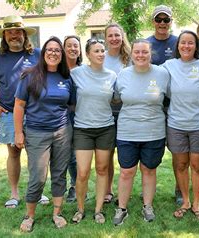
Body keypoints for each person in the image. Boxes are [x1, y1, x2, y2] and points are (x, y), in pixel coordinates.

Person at [0, 15, 49, 209]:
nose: (14, 35)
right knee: (13, 153)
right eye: (10, 32)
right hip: (9, 114)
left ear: (24, 34)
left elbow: (50, 76)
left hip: (36, 113)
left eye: (18, 31)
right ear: (4, 35)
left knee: (36, 154)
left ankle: (37, 192)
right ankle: (14, 194)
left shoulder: (37, 54)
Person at [14, 36, 74, 231]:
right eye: (50, 49)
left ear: (61, 54)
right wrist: (18, 133)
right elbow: (19, 105)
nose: (53, 53)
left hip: (62, 132)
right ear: (43, 53)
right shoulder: (30, 75)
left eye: (57, 50)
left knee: (59, 174)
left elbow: (71, 105)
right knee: (38, 176)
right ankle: (29, 215)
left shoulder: (66, 77)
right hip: (36, 133)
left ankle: (57, 213)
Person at [112, 39, 170, 225]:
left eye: (144, 52)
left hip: (154, 131)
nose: (140, 55)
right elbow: (114, 98)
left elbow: (171, 97)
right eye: (137, 52)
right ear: (131, 54)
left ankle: (147, 206)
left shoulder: (162, 74)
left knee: (149, 170)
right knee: (126, 171)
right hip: (127, 131)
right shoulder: (122, 75)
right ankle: (121, 208)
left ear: (150, 54)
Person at [162, 30, 199, 221]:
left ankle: (196, 203)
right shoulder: (168, 66)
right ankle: (185, 201)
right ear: (178, 45)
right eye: (183, 42)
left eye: (191, 43)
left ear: (196, 46)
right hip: (176, 124)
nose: (186, 46)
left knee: (197, 166)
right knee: (181, 165)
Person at [70, 38, 117, 224]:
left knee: (102, 169)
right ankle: (80, 209)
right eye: (96, 51)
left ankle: (98, 210)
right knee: (82, 172)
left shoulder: (112, 76)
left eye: (102, 50)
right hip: (83, 129)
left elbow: (118, 98)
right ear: (88, 54)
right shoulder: (76, 73)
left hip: (105, 128)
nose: (101, 54)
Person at [146, 4, 181, 204]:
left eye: (166, 20)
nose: (162, 24)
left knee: (177, 150)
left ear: (170, 22)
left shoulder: (178, 43)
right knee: (152, 148)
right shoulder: (146, 44)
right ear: (153, 22)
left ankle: (179, 188)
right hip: (152, 105)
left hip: (175, 104)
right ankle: (148, 187)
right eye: (158, 20)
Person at [103, 23, 131, 204]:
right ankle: (108, 190)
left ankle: (125, 187)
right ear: (106, 38)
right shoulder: (101, 57)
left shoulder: (130, 58)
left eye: (117, 35)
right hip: (105, 112)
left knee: (126, 154)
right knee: (107, 154)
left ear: (122, 37)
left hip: (127, 112)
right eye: (110, 35)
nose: (114, 39)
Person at [63, 35, 83, 202]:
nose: (72, 49)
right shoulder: (57, 69)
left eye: (75, 46)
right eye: (69, 45)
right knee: (63, 154)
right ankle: (60, 185)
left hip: (80, 116)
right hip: (60, 116)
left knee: (75, 155)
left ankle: (76, 187)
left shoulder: (84, 71)